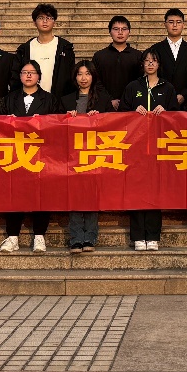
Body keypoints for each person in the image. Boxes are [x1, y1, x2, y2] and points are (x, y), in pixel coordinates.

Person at [120, 49, 178, 251]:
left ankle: (153, 235)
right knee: (136, 190)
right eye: (147, 61)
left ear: (159, 64)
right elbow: (121, 115)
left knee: (154, 191)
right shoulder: (133, 87)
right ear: (142, 64)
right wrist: (132, 112)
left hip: (158, 147)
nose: (150, 64)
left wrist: (166, 112)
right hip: (135, 147)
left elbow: (177, 117)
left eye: (154, 60)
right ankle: (138, 236)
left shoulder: (168, 87)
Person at [0, 61, 55, 253]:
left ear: (39, 76)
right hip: (15, 154)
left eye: (32, 72)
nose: (29, 75)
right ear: (20, 76)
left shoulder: (49, 99)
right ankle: (12, 236)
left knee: (42, 195)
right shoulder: (8, 99)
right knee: (14, 194)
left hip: (41, 155)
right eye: (25, 72)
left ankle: (39, 236)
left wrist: (44, 123)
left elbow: (57, 126)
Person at [62, 60, 113, 253]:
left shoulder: (103, 99)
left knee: (91, 196)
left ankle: (90, 237)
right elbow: (54, 126)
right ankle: (76, 238)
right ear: (75, 77)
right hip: (72, 155)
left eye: (87, 74)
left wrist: (100, 118)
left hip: (94, 154)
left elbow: (114, 125)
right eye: (80, 74)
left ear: (93, 76)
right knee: (74, 196)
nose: (83, 78)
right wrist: (66, 118)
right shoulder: (66, 100)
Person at [14, 3, 76, 100]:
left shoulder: (65, 48)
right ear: (34, 22)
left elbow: (71, 77)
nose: (45, 21)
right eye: (41, 18)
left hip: (58, 101)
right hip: (30, 101)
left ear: (54, 22)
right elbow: (16, 77)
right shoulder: (25, 49)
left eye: (49, 18)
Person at [148, 8, 187, 106]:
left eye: (178, 22)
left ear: (183, 25)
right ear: (165, 24)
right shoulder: (155, 49)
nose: (174, 25)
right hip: (159, 101)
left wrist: (184, 95)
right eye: (171, 22)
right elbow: (151, 74)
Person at [92, 15, 143, 111]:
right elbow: (95, 81)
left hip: (132, 105)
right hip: (105, 106)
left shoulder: (138, 56)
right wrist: (109, 100)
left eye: (124, 29)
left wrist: (127, 100)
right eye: (116, 29)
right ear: (110, 31)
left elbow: (141, 82)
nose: (120, 32)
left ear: (129, 31)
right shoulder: (99, 56)